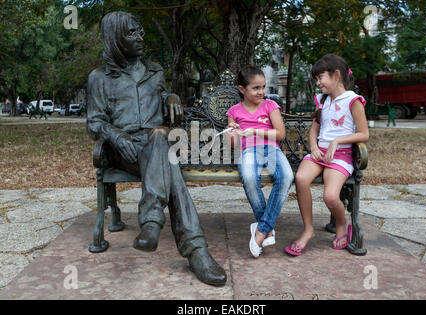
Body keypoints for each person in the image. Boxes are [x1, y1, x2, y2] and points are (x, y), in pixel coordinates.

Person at [87, 11, 226, 286]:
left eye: (140, 31)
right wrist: (116, 136)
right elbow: (94, 123)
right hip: (125, 151)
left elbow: (162, 97)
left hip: (157, 143)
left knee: (162, 139)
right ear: (115, 38)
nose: (140, 37)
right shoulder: (99, 78)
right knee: (166, 153)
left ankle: (152, 224)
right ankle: (196, 251)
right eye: (131, 33)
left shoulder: (154, 71)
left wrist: (171, 96)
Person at [285, 54, 369, 256]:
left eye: (320, 77)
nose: (318, 82)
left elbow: (364, 134)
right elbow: (314, 129)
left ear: (336, 75)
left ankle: (341, 224)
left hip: (340, 156)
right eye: (316, 79)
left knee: (331, 197)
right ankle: (308, 230)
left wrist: (337, 141)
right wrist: (313, 146)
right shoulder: (322, 100)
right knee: (301, 178)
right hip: (319, 153)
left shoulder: (353, 101)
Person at [225, 66, 294, 258]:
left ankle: (261, 230)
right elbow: (234, 145)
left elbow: (280, 134)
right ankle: (267, 229)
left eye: (263, 87)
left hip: (271, 148)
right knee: (248, 176)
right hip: (249, 150)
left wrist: (255, 131)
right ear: (242, 89)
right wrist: (232, 132)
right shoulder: (234, 111)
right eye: (255, 88)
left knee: (287, 176)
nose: (261, 92)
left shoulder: (270, 105)